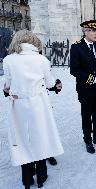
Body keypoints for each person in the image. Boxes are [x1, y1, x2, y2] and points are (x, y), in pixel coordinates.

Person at [2, 29, 64, 189]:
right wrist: (55, 84)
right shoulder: (41, 59)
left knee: (23, 140)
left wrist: (12, 89)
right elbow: (50, 83)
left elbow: (7, 86)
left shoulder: (8, 60)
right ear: (33, 41)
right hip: (39, 104)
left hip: (19, 105)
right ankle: (41, 177)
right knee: (40, 137)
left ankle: (27, 179)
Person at [70, 20, 96, 154]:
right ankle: (88, 140)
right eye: (93, 31)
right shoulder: (76, 47)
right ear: (85, 31)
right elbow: (74, 70)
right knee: (87, 115)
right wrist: (92, 79)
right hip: (85, 88)